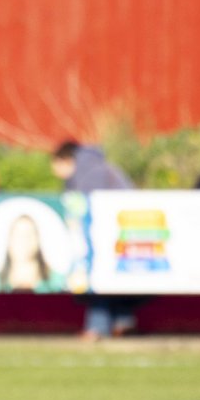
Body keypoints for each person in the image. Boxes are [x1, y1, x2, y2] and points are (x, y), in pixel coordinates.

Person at [50, 140, 142, 340]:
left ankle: (98, 327)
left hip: (108, 233)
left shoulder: (88, 172)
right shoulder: (94, 168)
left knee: (96, 276)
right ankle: (122, 321)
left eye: (55, 165)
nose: (54, 172)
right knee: (113, 278)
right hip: (123, 231)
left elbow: (85, 208)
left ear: (65, 160)